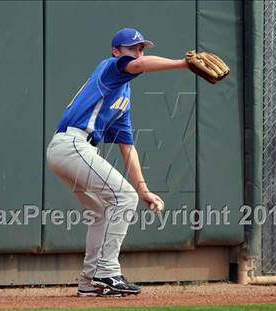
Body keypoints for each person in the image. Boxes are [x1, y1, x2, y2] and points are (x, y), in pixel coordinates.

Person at [46, 28, 188, 297]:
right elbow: (141, 65)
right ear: (116, 51)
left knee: (101, 210)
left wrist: (144, 189)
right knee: (123, 197)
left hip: (71, 150)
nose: (138, 52)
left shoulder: (123, 97)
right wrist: (181, 64)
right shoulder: (110, 68)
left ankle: (89, 282)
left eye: (141, 48)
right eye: (131, 47)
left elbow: (128, 148)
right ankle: (107, 271)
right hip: (72, 145)